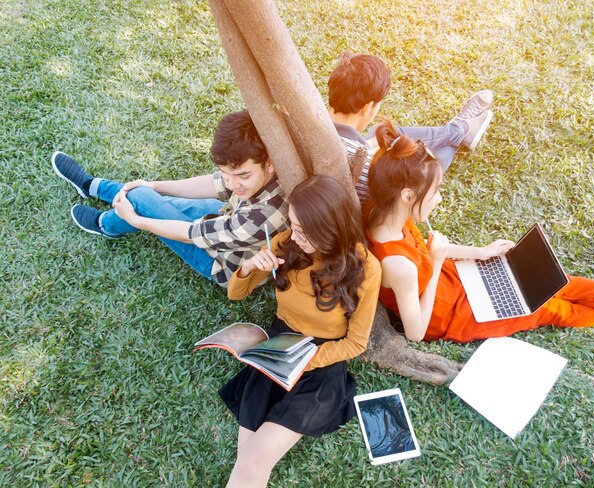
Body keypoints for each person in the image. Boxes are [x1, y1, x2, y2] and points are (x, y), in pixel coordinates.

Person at [365, 118, 594, 343]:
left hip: (451, 277)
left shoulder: (387, 214)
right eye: (435, 192)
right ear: (408, 195)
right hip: (453, 315)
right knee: (546, 307)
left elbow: (429, 251)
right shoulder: (399, 266)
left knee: (550, 282)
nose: (440, 199)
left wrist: (479, 252)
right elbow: (416, 332)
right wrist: (435, 263)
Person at [220, 175, 381, 487]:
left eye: (306, 232)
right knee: (249, 456)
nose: (296, 236)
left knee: (254, 458)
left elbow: (356, 342)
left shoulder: (366, 268)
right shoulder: (285, 245)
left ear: (332, 228)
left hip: (320, 364)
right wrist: (251, 266)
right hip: (279, 347)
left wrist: (307, 360)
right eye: (293, 225)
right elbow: (235, 294)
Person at [51, 110, 288, 287]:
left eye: (242, 175)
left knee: (141, 200)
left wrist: (136, 221)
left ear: (269, 163)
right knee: (147, 196)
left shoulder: (261, 219)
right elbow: (212, 183)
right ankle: (96, 188)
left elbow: (189, 235)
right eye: (227, 173)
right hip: (225, 216)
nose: (232, 183)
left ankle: (107, 223)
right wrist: (154, 186)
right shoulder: (269, 170)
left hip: (222, 263)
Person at [327, 52, 494, 203]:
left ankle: (458, 130)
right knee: (427, 165)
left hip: (348, 155)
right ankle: (460, 130)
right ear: (367, 108)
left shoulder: (317, 120)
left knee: (382, 131)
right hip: (396, 193)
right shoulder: (366, 166)